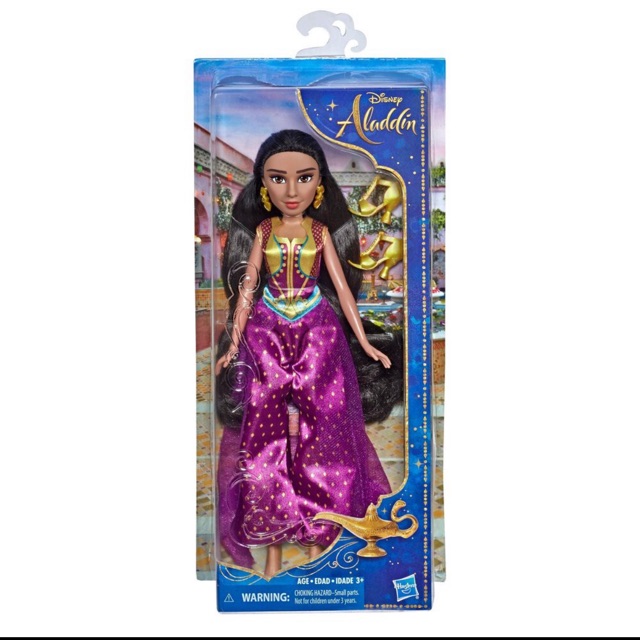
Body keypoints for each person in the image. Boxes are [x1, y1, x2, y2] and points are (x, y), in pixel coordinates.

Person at [214, 130, 401, 577]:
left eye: (304, 178)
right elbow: (248, 285)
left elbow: (343, 291)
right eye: (278, 178)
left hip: (319, 332)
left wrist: (365, 341)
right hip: (266, 330)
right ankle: (271, 540)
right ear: (264, 185)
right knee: (262, 440)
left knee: (327, 434)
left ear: (319, 185)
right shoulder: (264, 230)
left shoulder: (320, 232)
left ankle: (321, 535)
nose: (291, 189)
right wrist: (234, 342)